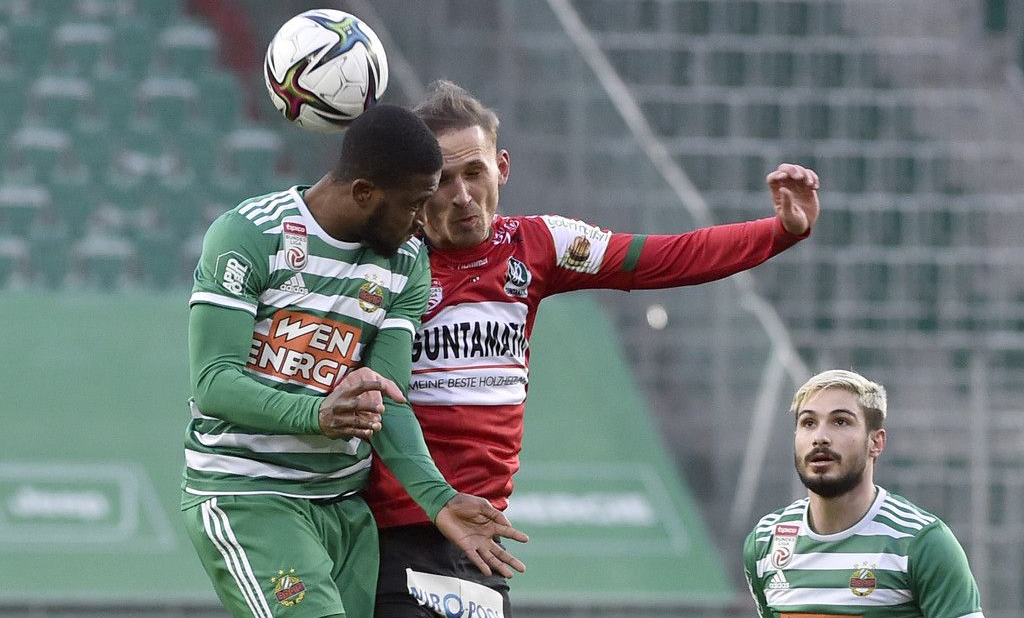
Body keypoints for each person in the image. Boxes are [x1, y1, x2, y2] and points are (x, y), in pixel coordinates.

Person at [366, 80, 822, 618]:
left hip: (481, 540)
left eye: (475, 172)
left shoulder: (537, 245)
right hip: (391, 531)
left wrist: (780, 231)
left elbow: (668, 257)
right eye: (444, 180)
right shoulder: (384, 263)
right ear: (418, 187)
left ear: (502, 168)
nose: (463, 195)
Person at [180, 104, 527, 618]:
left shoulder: (407, 263)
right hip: (249, 494)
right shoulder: (250, 235)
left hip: (345, 508)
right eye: (413, 206)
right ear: (364, 193)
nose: (421, 223)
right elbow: (213, 383)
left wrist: (439, 499)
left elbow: (389, 400)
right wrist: (316, 414)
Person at [743, 369, 985, 618]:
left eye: (840, 422)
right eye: (808, 423)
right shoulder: (766, 541)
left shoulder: (922, 542)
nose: (820, 437)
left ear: (876, 442)